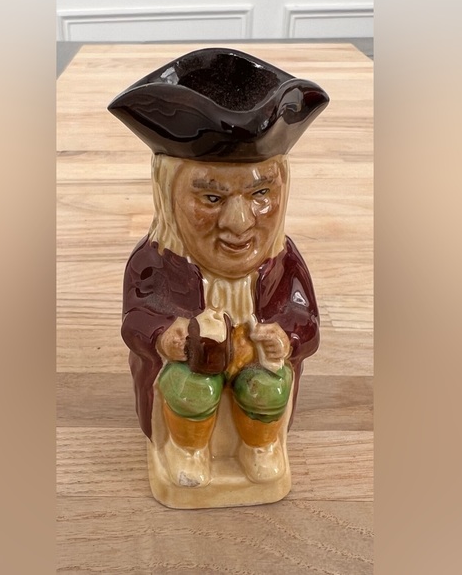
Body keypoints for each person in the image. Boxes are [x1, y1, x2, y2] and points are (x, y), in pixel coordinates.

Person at [109, 48, 329, 489]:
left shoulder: (282, 263)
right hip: (191, 370)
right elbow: (136, 320)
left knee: (268, 388)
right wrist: (165, 337)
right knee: (190, 388)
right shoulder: (156, 262)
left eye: (261, 194)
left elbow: (305, 320)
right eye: (211, 198)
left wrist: (286, 339)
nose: (239, 223)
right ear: (169, 197)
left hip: (256, 366)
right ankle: (186, 449)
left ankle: (260, 446)